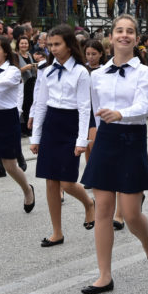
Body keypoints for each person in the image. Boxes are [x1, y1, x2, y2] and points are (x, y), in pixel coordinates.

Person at [79, 15, 148, 294]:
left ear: (136, 38)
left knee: (130, 214)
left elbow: (143, 106)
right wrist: (85, 139)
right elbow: (89, 111)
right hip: (106, 139)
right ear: (112, 37)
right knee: (102, 209)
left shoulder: (144, 73)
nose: (124, 35)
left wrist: (120, 114)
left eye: (130, 31)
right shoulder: (97, 75)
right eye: (119, 31)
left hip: (131, 138)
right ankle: (104, 275)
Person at [29, 24, 95, 247]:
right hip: (51, 125)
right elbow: (40, 105)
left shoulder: (81, 72)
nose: (53, 49)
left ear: (69, 45)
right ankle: (56, 231)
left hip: (71, 124)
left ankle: (88, 204)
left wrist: (82, 140)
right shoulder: (46, 71)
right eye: (50, 45)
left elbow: (85, 108)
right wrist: (35, 137)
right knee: (50, 182)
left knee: (67, 183)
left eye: (57, 44)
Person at [0, 36, 35, 221]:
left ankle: (27, 190)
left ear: (5, 52)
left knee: (10, 165)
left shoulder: (12, 71)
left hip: (7, 119)